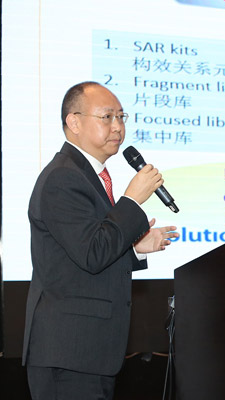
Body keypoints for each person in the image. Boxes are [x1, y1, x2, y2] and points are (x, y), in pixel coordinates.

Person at [22, 81, 179, 399]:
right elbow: (92, 254)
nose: (118, 127)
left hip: (89, 353)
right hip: (68, 352)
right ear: (74, 122)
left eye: (121, 117)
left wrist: (134, 249)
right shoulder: (63, 177)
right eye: (107, 117)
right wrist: (132, 201)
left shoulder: (86, 176)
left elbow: (83, 254)